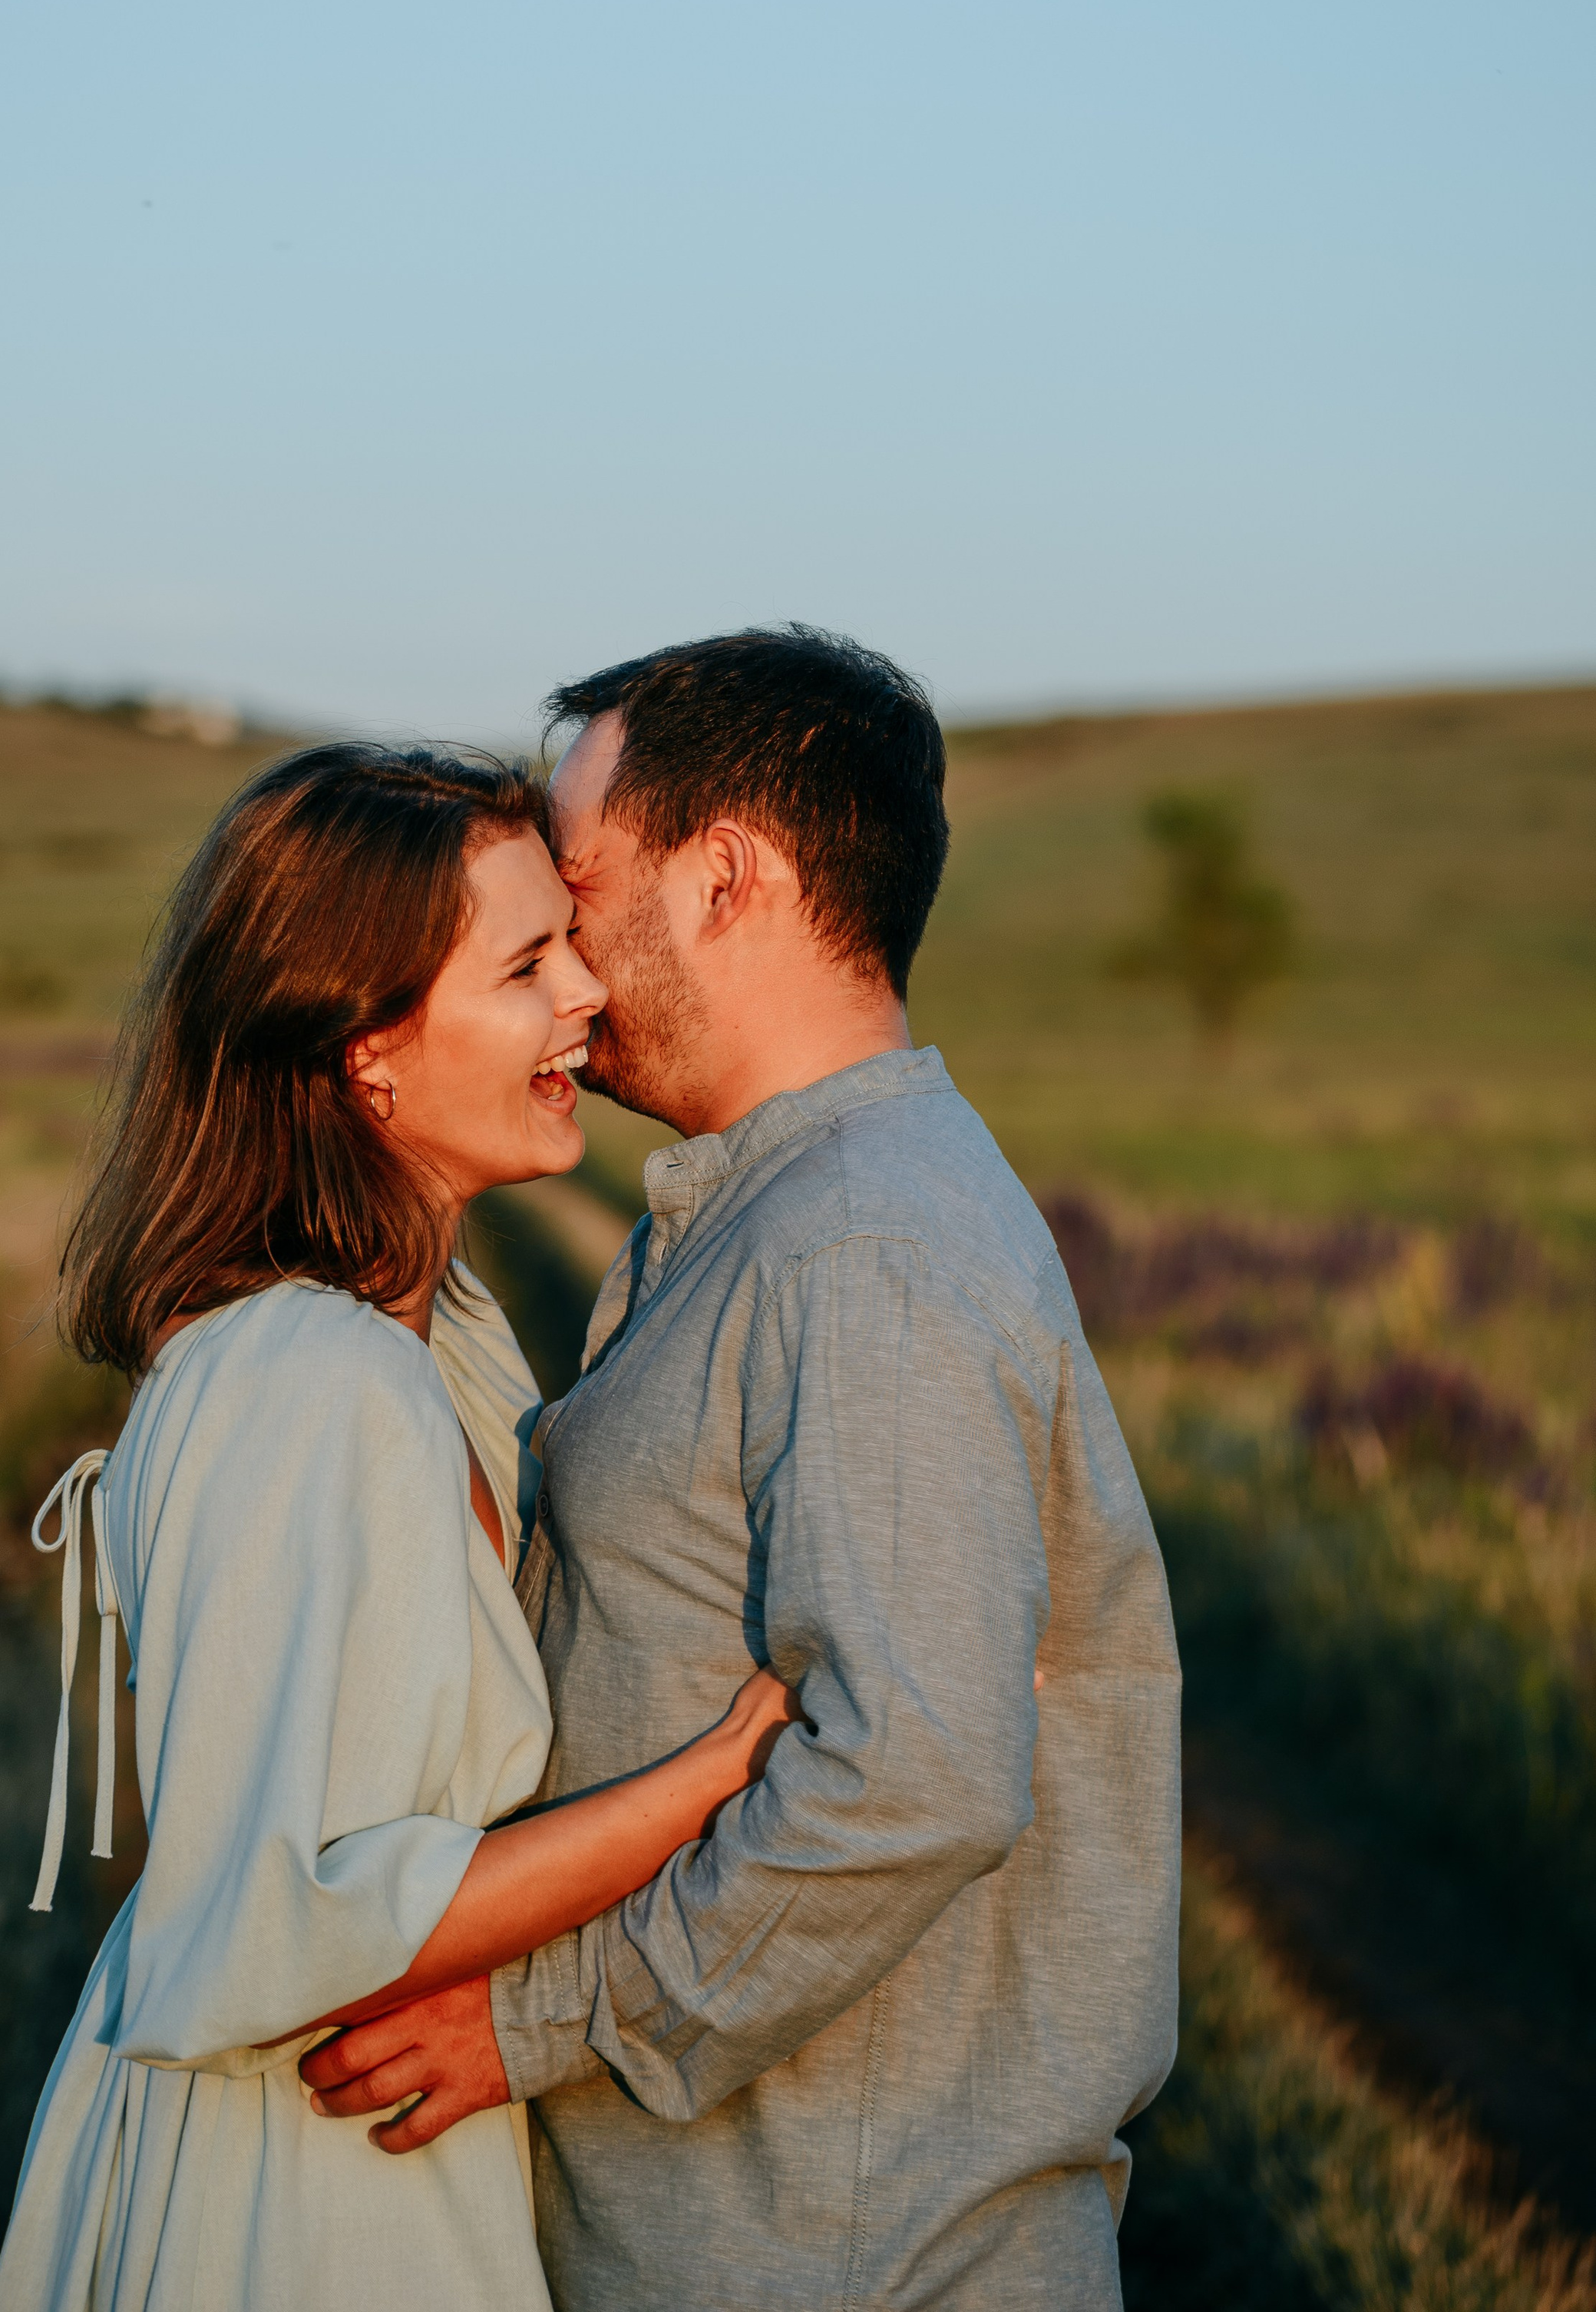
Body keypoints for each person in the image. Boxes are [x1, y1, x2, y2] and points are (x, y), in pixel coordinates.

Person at [302, 630, 1183, 2310]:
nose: (557, 962)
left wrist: (530, 2022)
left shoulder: (860, 1248)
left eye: (575, 889)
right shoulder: (795, 1214)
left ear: (723, 876)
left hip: (847, 2257)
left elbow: (907, 1777)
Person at [0, 743, 798, 2312]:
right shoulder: (313, 1375)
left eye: (564, 941)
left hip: (357, 2127)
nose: (583, 996)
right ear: (367, 1049)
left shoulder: (435, 1335)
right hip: (300, 2180)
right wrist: (721, 1776)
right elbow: (291, 1914)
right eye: (523, 964)